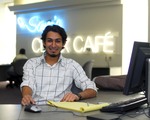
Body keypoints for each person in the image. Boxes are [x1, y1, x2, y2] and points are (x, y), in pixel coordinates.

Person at [21, 25, 97, 106]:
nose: (53, 45)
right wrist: (27, 96)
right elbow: (28, 84)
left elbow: (92, 89)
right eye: (49, 40)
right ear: (44, 43)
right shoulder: (31, 63)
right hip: (36, 107)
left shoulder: (72, 65)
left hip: (62, 109)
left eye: (57, 41)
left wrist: (77, 96)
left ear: (63, 43)